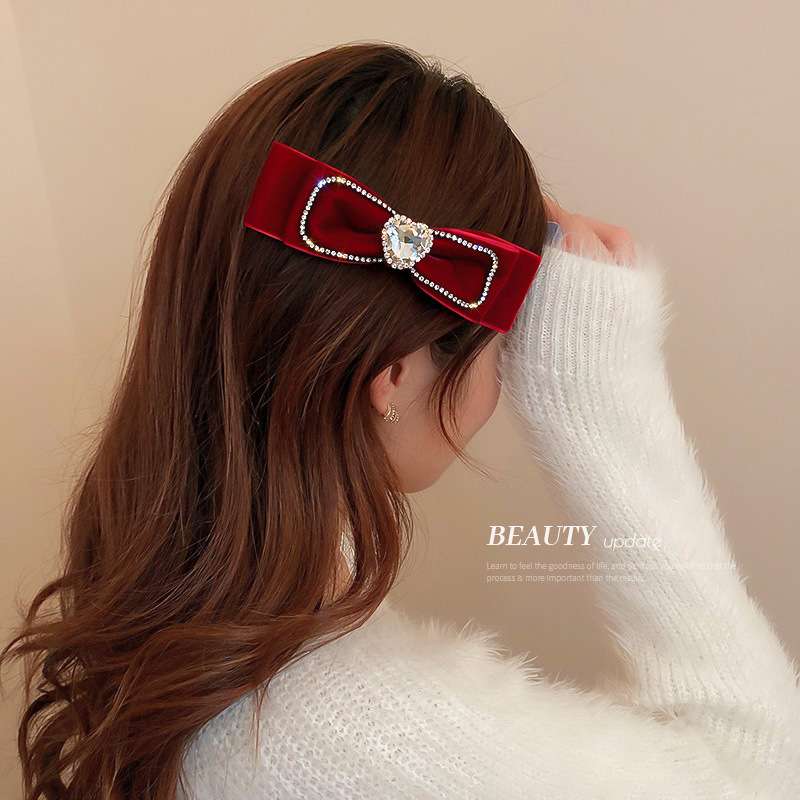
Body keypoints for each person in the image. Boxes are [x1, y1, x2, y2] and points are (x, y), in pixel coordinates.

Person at [3, 41, 798, 800]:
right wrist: (603, 399)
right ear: (391, 373)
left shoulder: (168, 603)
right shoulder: (356, 732)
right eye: (502, 345)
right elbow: (760, 773)